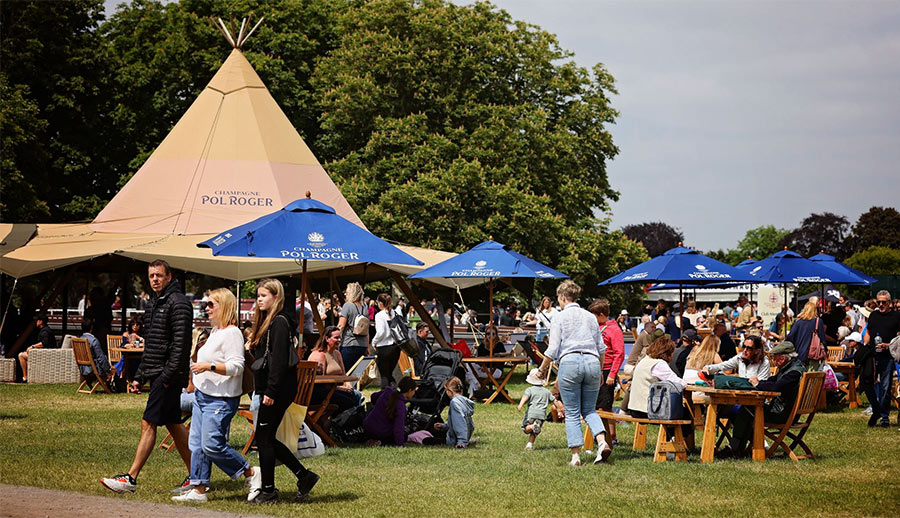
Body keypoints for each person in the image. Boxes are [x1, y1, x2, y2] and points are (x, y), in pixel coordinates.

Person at [101, 260, 192, 494]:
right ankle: (197, 475)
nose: (154, 279)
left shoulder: (178, 303)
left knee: (148, 422)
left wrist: (166, 376)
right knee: (174, 424)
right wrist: (139, 376)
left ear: (169, 277)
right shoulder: (154, 303)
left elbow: (180, 347)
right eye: (151, 276)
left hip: (168, 375)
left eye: (159, 275)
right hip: (159, 372)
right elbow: (151, 345)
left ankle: (130, 479)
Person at [172, 288, 260, 503]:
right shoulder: (215, 332)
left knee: (212, 444)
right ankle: (199, 489)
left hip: (220, 398)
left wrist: (208, 366)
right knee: (197, 445)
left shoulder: (232, 333)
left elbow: (237, 367)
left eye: (211, 304)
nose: (206, 308)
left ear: (225, 306)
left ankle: (251, 473)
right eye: (206, 304)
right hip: (203, 396)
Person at [245, 278, 317, 504]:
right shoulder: (270, 321)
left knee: (264, 439)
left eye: (264, 295)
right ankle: (303, 476)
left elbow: (278, 362)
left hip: (275, 388)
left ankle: (269, 490)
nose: (259, 299)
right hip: (271, 387)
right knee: (266, 437)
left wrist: (271, 392)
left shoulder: (279, 322)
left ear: (276, 297)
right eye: (258, 295)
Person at [537, 280, 610, 466]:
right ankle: (602, 443)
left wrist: (541, 369)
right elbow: (601, 348)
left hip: (570, 361)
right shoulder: (590, 317)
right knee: (589, 410)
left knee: (571, 412)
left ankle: (576, 456)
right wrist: (600, 370)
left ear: (562, 297)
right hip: (593, 361)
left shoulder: (559, 317)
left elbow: (553, 349)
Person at [730, 341, 804, 455]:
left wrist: (757, 385)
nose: (774, 361)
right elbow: (773, 381)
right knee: (746, 410)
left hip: (782, 414)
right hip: (787, 411)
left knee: (745, 410)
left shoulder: (793, 373)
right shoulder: (792, 367)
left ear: (783, 358)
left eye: (775, 358)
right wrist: (760, 382)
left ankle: (735, 448)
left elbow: (775, 387)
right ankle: (740, 447)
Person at [861, 290, 900, 427]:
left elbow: (899, 338)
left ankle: (884, 416)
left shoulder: (896, 316)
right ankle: (876, 409)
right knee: (866, 383)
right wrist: (865, 344)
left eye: (884, 302)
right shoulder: (873, 315)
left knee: (885, 387)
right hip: (872, 355)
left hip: (887, 356)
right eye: (879, 302)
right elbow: (869, 333)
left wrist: (888, 345)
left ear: (889, 302)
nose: (881, 304)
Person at [589, 299, 625, 445]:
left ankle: (612, 436)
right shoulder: (597, 327)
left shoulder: (614, 329)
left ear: (602, 315)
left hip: (607, 370)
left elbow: (619, 353)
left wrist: (612, 374)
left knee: (606, 406)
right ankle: (598, 434)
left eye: (594, 316)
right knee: (595, 405)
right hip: (595, 369)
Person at [628, 336, 687, 419]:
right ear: (668, 352)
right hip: (647, 409)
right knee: (684, 413)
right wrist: (687, 383)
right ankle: (680, 432)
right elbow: (677, 382)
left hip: (634, 408)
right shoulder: (658, 364)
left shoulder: (645, 360)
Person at [308, 326, 363, 413]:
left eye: (340, 337)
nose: (339, 340)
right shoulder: (320, 355)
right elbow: (320, 383)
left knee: (357, 395)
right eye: (336, 338)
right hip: (323, 393)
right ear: (327, 338)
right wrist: (340, 388)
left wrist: (347, 384)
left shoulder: (337, 353)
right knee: (351, 401)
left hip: (334, 389)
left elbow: (344, 375)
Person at [364, 376, 417, 446]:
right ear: (410, 390)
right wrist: (400, 444)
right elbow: (398, 427)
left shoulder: (387, 392)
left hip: (368, 427)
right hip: (381, 432)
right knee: (405, 434)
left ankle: (372, 440)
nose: (414, 393)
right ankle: (381, 443)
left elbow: (373, 397)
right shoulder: (400, 406)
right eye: (414, 391)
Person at [702, 335, 770, 381]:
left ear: (756, 351)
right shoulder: (740, 357)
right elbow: (723, 365)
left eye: (749, 348)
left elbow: (761, 383)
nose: (745, 350)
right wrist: (708, 368)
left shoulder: (764, 362)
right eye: (744, 346)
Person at [518, 369, 555, 450]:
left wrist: (520, 404)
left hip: (531, 413)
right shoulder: (547, 391)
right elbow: (554, 400)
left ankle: (532, 426)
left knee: (525, 428)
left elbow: (525, 397)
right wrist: (559, 410)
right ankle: (529, 445)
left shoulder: (530, 390)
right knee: (535, 431)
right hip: (541, 415)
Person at [372, 293, 401, 388]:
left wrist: (374, 341)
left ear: (380, 303)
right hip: (396, 347)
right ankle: (393, 394)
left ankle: (385, 397)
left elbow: (381, 332)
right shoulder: (395, 313)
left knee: (384, 375)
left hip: (384, 347)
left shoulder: (379, 315)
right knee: (389, 374)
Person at [338, 282, 370, 369]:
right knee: (356, 374)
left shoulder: (347, 306)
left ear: (352, 293)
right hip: (362, 345)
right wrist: (367, 346)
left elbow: (341, 326)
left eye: (347, 292)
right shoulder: (365, 308)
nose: (345, 294)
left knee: (345, 373)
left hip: (348, 343)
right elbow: (367, 331)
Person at [436, 376, 475, 448]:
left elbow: (460, 423)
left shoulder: (454, 403)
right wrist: (443, 426)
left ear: (449, 391)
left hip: (454, 440)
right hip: (464, 436)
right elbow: (458, 422)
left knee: (427, 439)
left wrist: (462, 442)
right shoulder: (463, 401)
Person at [17, 312, 56, 382]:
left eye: (37, 320)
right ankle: (30, 376)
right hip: (43, 354)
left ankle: (25, 377)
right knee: (25, 354)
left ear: (41, 322)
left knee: (21, 355)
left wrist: (32, 346)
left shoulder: (45, 331)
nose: (36, 322)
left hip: (45, 355)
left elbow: (44, 343)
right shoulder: (44, 330)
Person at [786, 299, 826, 367]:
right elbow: (822, 339)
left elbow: (790, 338)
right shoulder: (818, 321)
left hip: (798, 355)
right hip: (813, 356)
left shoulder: (798, 322)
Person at [79, 316, 113, 384]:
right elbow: (101, 358)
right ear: (91, 327)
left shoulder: (79, 339)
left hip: (83, 369)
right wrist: (108, 371)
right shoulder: (93, 340)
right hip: (93, 370)